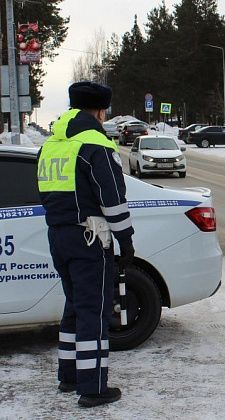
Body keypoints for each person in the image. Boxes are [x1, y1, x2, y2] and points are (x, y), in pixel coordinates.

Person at [37, 81, 135, 407]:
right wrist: (126, 241)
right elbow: (113, 201)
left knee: (75, 307)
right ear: (100, 110)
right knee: (94, 311)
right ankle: (92, 388)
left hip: (58, 236)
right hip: (90, 238)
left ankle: (69, 376)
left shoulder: (51, 144)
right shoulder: (96, 145)